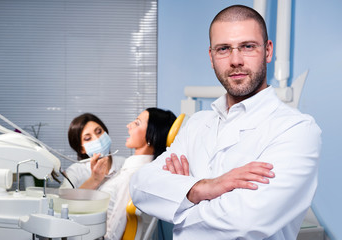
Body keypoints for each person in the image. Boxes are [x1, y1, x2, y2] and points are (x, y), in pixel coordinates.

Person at [129, 4, 322, 240]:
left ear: (268, 51)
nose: (235, 60)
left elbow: (245, 221)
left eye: (248, 46)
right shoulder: (197, 124)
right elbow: (140, 187)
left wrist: (178, 201)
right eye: (223, 49)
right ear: (211, 57)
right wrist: (203, 187)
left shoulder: (297, 130)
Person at [62, 109, 177, 240]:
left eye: (137, 123)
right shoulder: (139, 170)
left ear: (151, 136)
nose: (129, 125)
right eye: (88, 138)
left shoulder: (132, 175)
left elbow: (113, 232)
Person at [60, 113, 125, 190]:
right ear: (82, 149)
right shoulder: (74, 172)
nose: (97, 138)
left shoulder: (125, 164)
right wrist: (94, 180)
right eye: (87, 138)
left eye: (99, 132)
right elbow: (64, 200)